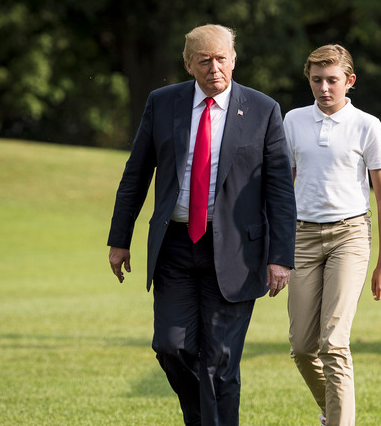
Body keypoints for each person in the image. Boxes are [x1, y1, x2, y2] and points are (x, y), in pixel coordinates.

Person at [107, 24, 296, 426]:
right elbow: (136, 174)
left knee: (220, 361)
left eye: (222, 58)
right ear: (188, 63)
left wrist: (281, 257)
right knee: (171, 347)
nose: (215, 68)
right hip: (175, 246)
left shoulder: (263, 110)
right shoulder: (163, 103)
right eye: (205, 60)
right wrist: (120, 239)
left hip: (236, 252)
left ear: (234, 59)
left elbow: (279, 190)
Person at [283, 44, 381, 426]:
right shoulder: (293, 121)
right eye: (316, 80)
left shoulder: (368, 125)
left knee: (333, 342)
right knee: (301, 346)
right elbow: (285, 187)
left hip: (350, 236)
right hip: (301, 238)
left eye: (332, 80)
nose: (324, 88)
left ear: (350, 81)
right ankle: (334, 414)